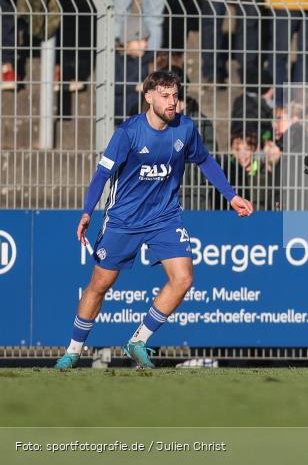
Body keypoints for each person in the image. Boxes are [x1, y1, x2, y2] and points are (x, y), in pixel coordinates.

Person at [54, 70, 254, 370]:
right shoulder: (128, 133)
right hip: (124, 219)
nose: (172, 101)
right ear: (148, 97)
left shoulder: (185, 129)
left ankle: (138, 341)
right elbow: (102, 175)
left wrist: (230, 195)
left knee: (184, 277)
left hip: (165, 217)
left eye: (175, 95)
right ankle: (73, 351)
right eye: (165, 95)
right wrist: (87, 212)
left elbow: (204, 160)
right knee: (99, 284)